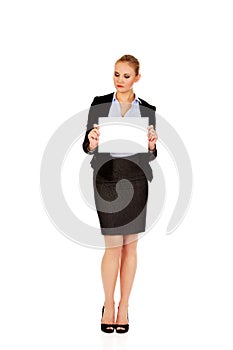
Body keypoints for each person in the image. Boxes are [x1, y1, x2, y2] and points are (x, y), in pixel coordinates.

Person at [82, 54, 158, 333]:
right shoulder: (99, 103)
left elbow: (151, 154)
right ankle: (109, 304)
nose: (120, 80)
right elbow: (86, 145)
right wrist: (91, 141)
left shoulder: (147, 109)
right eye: (116, 74)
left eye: (126, 76)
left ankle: (124, 306)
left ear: (137, 77)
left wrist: (151, 146)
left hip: (136, 179)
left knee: (131, 246)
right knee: (113, 246)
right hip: (106, 179)